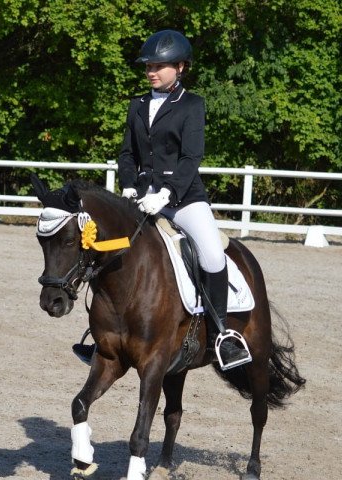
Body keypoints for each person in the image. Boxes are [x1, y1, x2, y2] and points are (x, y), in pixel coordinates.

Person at [73, 29, 250, 369]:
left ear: (181, 67)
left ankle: (221, 335)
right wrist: (128, 187)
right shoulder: (137, 105)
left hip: (183, 198)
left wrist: (167, 193)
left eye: (160, 65)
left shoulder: (192, 105)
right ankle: (101, 335)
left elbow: (191, 158)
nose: (152, 71)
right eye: (148, 66)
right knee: (111, 250)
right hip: (140, 198)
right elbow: (127, 154)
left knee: (212, 254)